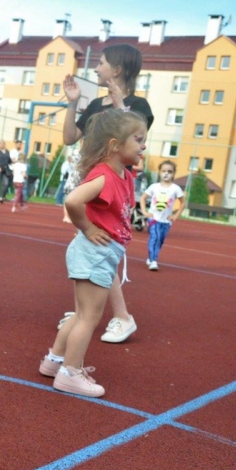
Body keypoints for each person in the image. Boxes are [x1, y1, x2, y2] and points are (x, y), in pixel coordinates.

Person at [39, 109, 147, 397]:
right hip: (95, 253)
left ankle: (54, 361)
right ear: (115, 144)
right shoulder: (104, 176)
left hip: (102, 253)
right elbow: (73, 200)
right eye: (138, 139)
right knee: (89, 318)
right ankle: (70, 373)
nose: (143, 145)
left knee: (81, 314)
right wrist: (86, 228)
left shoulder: (124, 175)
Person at [60, 43, 153, 343]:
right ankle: (86, 312)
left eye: (101, 63)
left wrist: (119, 104)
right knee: (90, 247)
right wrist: (73, 102)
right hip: (90, 179)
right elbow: (69, 137)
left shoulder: (138, 105)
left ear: (117, 69)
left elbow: (132, 137)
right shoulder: (95, 104)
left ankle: (121, 316)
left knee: (102, 247)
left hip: (111, 184)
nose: (96, 68)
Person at [141, 160, 185, 271]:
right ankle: (153, 260)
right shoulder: (154, 187)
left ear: (173, 173)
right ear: (159, 172)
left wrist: (175, 215)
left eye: (169, 171)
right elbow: (143, 198)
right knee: (155, 237)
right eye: (164, 171)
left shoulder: (175, 188)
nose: (166, 174)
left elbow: (183, 202)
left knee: (160, 240)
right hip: (153, 219)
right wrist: (145, 212)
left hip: (166, 220)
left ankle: (151, 256)